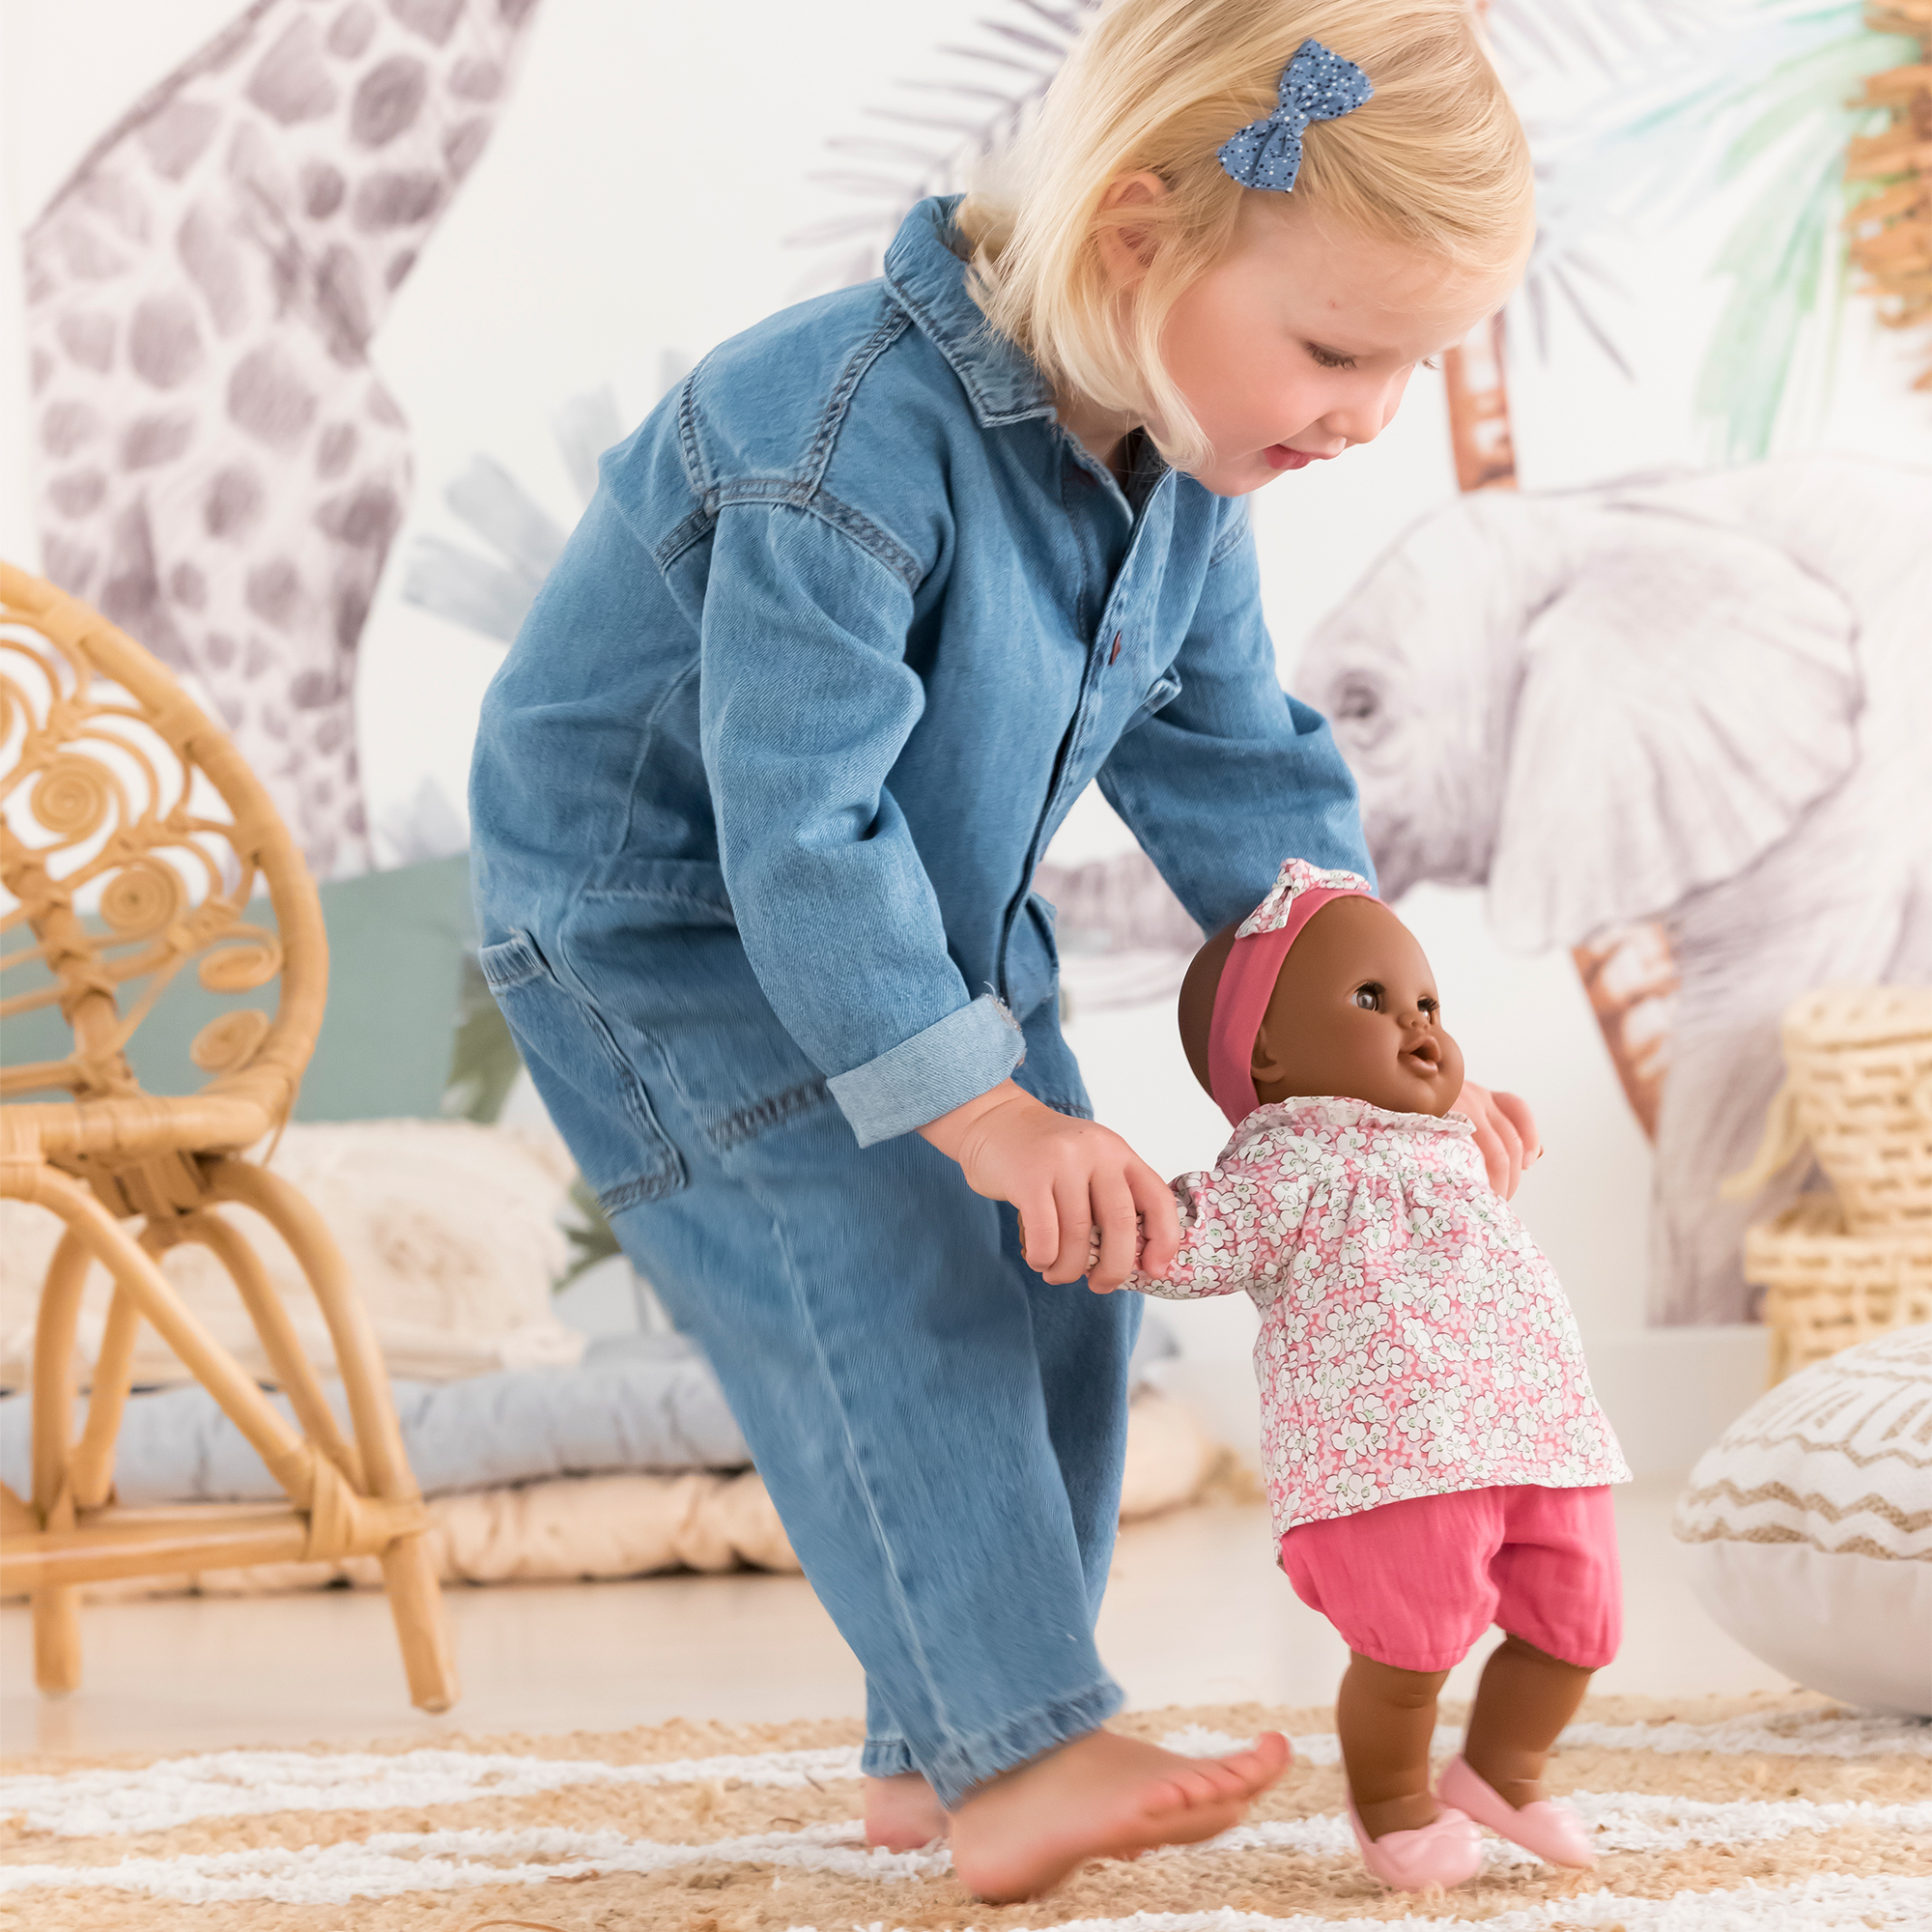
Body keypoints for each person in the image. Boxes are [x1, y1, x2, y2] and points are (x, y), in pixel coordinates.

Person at [469, 0, 1538, 1902]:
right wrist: (981, 1116)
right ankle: (1025, 1739)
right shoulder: (834, 442)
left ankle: (936, 1751)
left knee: (1076, 1273)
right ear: (1136, 238)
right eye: (1335, 350)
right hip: (676, 933)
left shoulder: (1187, 476)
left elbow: (1244, 778)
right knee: (912, 1278)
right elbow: (797, 830)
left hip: (925, 924)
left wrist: (1405, 1068)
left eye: (1408, 368)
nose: (1368, 415)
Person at [1119, 858, 1631, 1892]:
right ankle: (1393, 1800)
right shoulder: (1280, 1166)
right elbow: (1188, 1243)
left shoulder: (1451, 1140)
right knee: (1410, 1647)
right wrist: (1121, 1212)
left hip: (1535, 1428)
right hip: (1387, 1456)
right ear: (1264, 1050)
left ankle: (1502, 1768)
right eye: (1371, 999)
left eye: (1426, 1001)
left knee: (1581, 1624)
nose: (1418, 1024)